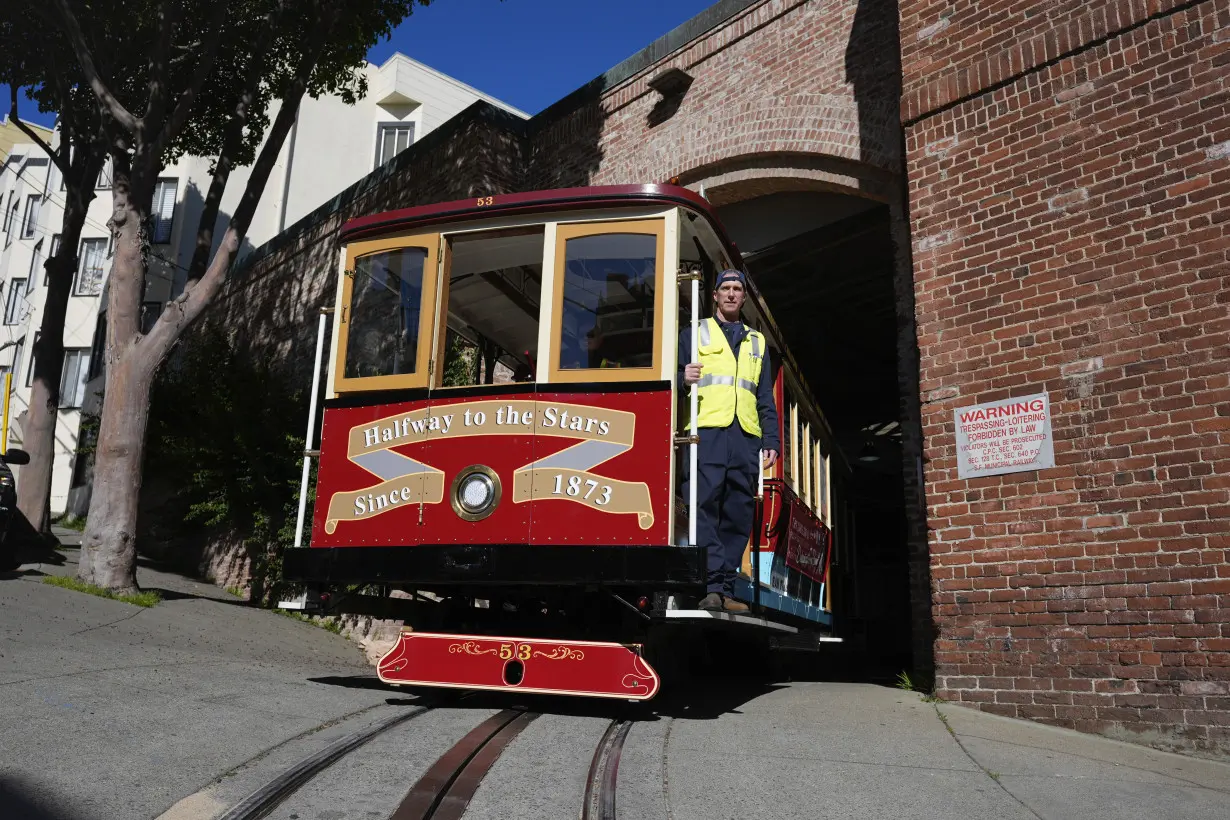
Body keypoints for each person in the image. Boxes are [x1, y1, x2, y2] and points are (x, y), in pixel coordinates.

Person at [680, 269, 780, 613]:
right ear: (715, 295)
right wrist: (682, 377)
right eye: (726, 288)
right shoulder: (693, 332)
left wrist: (772, 440)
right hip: (707, 431)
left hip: (745, 436)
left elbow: (764, 394)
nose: (732, 294)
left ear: (743, 297)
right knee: (705, 505)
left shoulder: (757, 341)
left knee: (738, 511)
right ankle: (711, 585)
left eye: (738, 289)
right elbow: (668, 378)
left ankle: (725, 590)